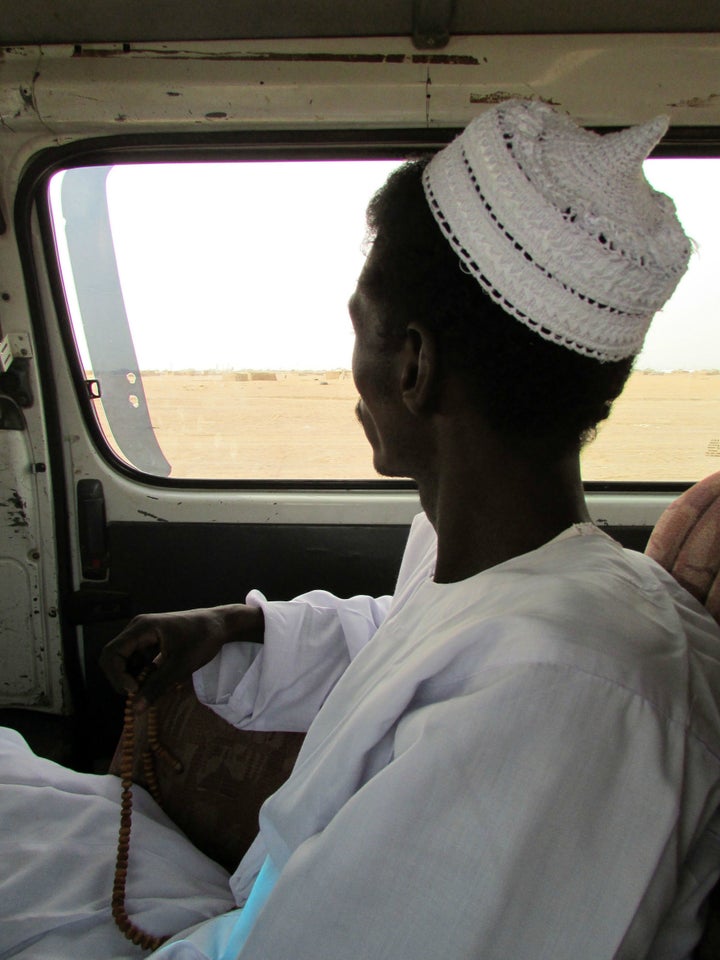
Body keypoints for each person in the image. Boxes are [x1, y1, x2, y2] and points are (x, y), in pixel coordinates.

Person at [2, 99, 719, 960]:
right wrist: (233, 624)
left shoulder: (571, 701)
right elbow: (403, 640)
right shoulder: (505, 563)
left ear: (413, 365)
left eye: (359, 328)